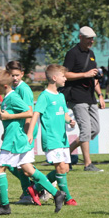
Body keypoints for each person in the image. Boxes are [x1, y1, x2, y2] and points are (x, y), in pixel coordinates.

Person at [0, 70, 67, 215]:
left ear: (6, 86)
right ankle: (57, 194)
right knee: (28, 169)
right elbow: (10, 117)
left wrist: (8, 116)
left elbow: (29, 112)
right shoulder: (7, 98)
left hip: (14, 140)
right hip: (16, 138)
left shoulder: (13, 97)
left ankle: (4, 206)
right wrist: (0, 115)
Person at [26, 65, 78, 207]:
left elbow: (64, 113)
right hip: (51, 138)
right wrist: (30, 133)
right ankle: (67, 198)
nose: (66, 78)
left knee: (65, 169)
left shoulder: (61, 96)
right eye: (63, 76)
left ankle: (35, 188)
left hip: (62, 138)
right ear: (54, 78)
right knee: (61, 168)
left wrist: (70, 121)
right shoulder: (44, 96)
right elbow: (36, 114)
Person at [62, 26, 105, 172]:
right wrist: (84, 74)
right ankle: (88, 164)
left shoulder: (91, 54)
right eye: (88, 38)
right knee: (86, 130)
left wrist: (100, 95)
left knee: (95, 129)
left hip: (91, 96)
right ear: (80, 37)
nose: (91, 41)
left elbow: (93, 78)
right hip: (77, 96)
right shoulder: (72, 53)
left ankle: (66, 152)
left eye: (92, 38)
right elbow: (65, 75)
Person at [4, 61, 35, 204]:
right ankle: (34, 187)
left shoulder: (24, 89)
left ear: (22, 74)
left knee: (19, 165)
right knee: (14, 164)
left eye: (17, 75)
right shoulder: (12, 89)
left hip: (24, 131)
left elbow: (29, 113)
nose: (15, 78)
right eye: (12, 75)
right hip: (16, 132)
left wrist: (28, 133)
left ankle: (34, 188)